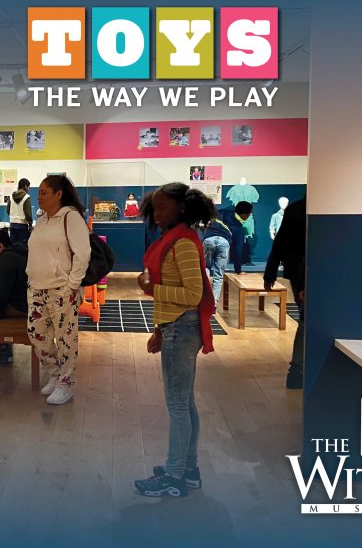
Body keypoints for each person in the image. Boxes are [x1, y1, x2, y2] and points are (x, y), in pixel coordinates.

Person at [134, 183, 216, 498]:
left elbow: (192, 294)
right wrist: (158, 329)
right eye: (154, 207)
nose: (157, 213)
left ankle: (174, 475)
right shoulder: (176, 238)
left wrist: (151, 288)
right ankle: (188, 469)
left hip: (182, 328)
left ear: (181, 208)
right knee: (185, 403)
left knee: (178, 405)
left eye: (163, 207)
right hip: (176, 327)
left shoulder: (181, 242)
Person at [26, 175, 91, 405]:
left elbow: (83, 254)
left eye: (44, 192)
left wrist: (72, 286)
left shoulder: (71, 218)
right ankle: (55, 374)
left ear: (58, 194)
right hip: (36, 289)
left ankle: (66, 383)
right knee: (36, 335)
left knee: (65, 340)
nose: (39, 197)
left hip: (61, 290)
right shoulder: (42, 219)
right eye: (38, 192)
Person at [265, 198, 306, 389]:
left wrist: (270, 271)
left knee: (305, 318)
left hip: (297, 268)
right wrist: (270, 271)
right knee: (305, 319)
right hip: (304, 269)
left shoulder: (296, 209)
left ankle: (297, 372)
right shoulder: (300, 209)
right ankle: (298, 371)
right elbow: (281, 240)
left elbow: (281, 241)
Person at [0, 228, 29, 364]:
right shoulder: (16, 253)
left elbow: (0, 295)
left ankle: (1, 347)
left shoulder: (7, 259)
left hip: (24, 307)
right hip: (30, 302)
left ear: (0, 246)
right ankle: (3, 346)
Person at [200, 216, 233, 306]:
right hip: (224, 242)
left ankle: (203, 299)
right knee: (218, 275)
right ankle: (213, 304)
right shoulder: (226, 225)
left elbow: (200, 226)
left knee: (205, 267)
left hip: (209, 240)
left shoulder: (210, 221)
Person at [215, 201, 253, 274]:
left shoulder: (222, 212)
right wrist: (238, 270)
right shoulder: (239, 230)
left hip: (206, 242)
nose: (250, 215)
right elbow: (238, 251)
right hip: (222, 250)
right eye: (250, 214)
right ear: (244, 215)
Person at [7, 178, 33, 246]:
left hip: (12, 224)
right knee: (22, 247)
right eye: (28, 187)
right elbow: (28, 213)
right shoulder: (27, 197)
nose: (28, 189)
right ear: (25, 186)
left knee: (13, 246)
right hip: (22, 226)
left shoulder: (11, 197)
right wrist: (30, 224)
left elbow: (8, 211)